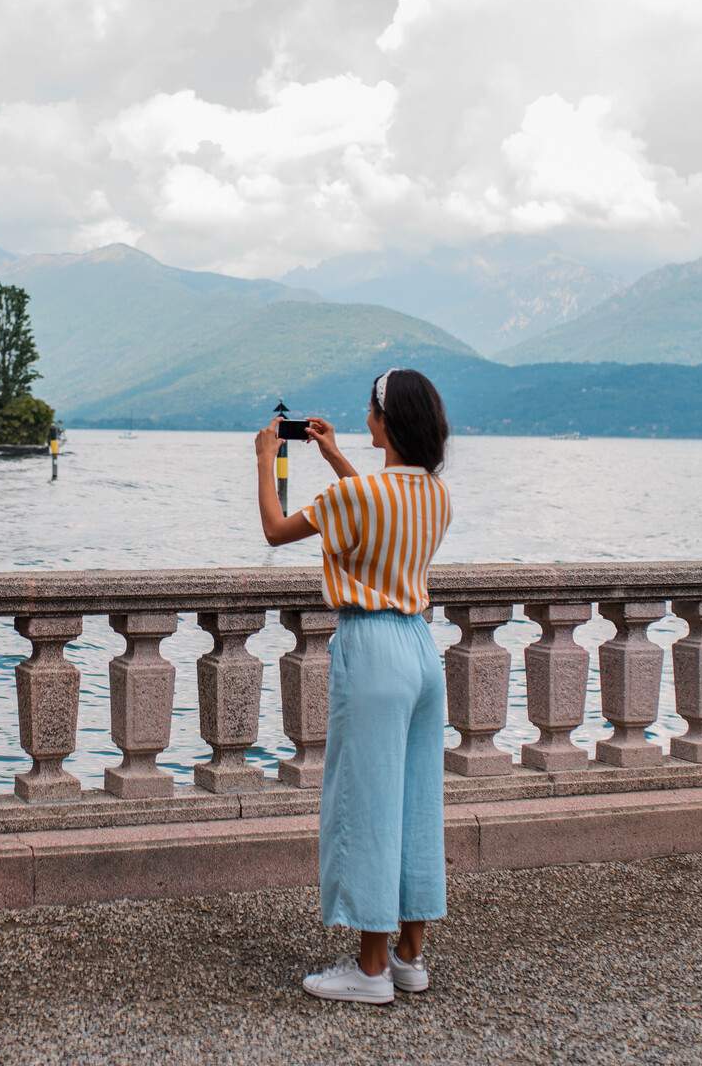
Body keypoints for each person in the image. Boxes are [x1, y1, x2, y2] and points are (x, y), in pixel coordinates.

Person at [253, 367, 453, 1005]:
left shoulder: (362, 497)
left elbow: (276, 530)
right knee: (418, 801)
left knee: (366, 803)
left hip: (372, 648)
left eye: (371, 411)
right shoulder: (435, 494)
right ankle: (409, 958)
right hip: (422, 648)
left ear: (384, 421)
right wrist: (337, 457)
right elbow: (380, 513)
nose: (364, 419)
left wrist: (267, 459)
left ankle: (368, 972)